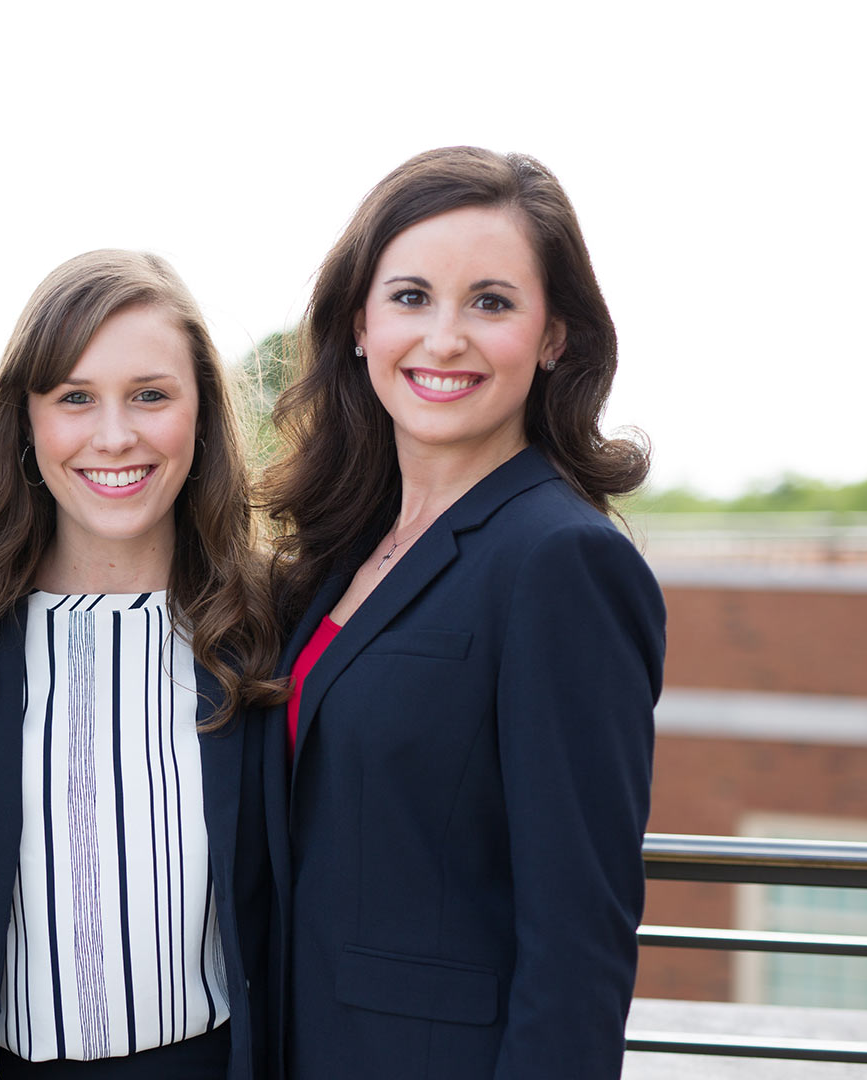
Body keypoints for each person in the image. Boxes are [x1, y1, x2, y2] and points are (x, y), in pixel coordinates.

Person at [260, 147, 666, 1079]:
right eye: (410, 297)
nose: (444, 338)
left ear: (554, 335)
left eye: (491, 302)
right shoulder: (344, 550)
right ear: (358, 324)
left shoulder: (564, 562)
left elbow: (579, 943)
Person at [0, 250, 287, 1079]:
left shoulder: (272, 625)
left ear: (201, 413)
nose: (114, 435)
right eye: (74, 398)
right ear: (27, 421)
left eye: (150, 395)